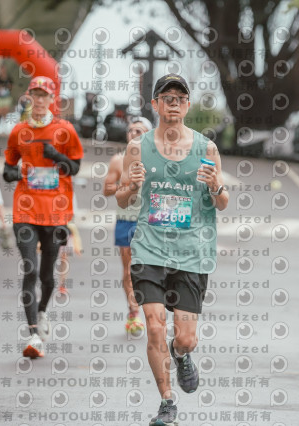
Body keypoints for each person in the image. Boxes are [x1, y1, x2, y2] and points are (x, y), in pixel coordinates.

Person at [116, 74, 229, 425]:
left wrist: (216, 186)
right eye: (167, 97)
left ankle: (181, 355)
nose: (174, 103)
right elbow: (122, 198)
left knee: (186, 338)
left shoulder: (206, 150)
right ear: (156, 104)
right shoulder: (138, 148)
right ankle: (167, 401)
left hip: (191, 252)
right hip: (149, 248)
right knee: (154, 327)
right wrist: (131, 187)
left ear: (188, 105)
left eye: (180, 98)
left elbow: (222, 202)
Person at [3, 76, 83, 359]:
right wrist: (12, 173)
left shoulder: (65, 129)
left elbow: (75, 167)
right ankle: (34, 334)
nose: (38, 100)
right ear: (29, 97)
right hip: (25, 209)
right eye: (34, 95)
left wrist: (56, 155)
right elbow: (8, 167)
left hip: (56, 211)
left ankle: (42, 311)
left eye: (43, 95)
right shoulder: (19, 131)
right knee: (30, 270)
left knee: (47, 276)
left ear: (52, 99)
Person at [103, 116, 153, 334]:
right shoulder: (118, 160)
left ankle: (153, 310)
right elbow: (106, 189)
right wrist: (127, 185)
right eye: (131, 130)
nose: (133, 134)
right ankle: (134, 312)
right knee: (129, 270)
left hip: (151, 222)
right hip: (126, 220)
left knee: (151, 269)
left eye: (139, 131)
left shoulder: (158, 160)